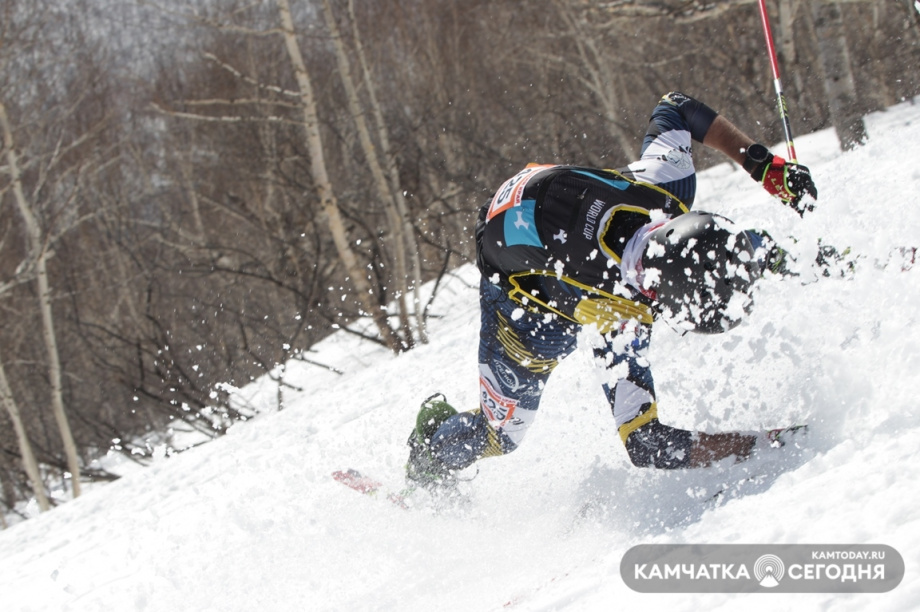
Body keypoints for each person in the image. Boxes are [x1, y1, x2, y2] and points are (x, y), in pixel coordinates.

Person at [406, 92, 817, 490]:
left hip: (543, 210)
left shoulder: (667, 189)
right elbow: (645, 443)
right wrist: (764, 444)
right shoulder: (617, 318)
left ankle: (823, 259)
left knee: (736, 254)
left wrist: (764, 166)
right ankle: (431, 450)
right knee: (500, 435)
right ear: (660, 303)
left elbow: (677, 107)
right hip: (524, 302)